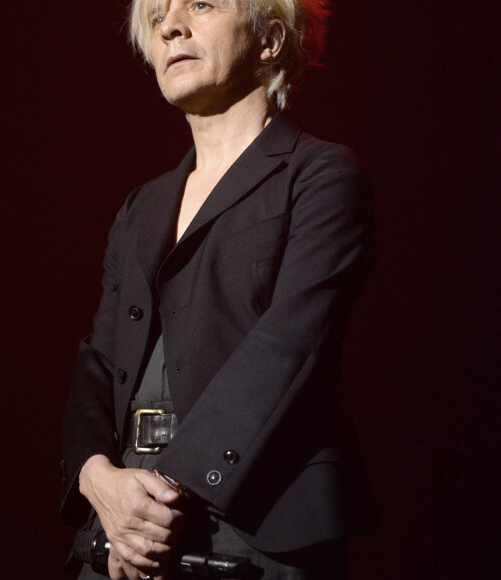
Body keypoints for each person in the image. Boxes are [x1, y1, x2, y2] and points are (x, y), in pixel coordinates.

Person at [60, 0, 377, 578]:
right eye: (157, 19)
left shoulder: (321, 177)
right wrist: (94, 477)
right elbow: (98, 361)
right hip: (122, 522)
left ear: (271, 39)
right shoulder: (142, 206)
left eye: (201, 4)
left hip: (251, 528)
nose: (171, 27)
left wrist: (161, 490)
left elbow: (288, 347)